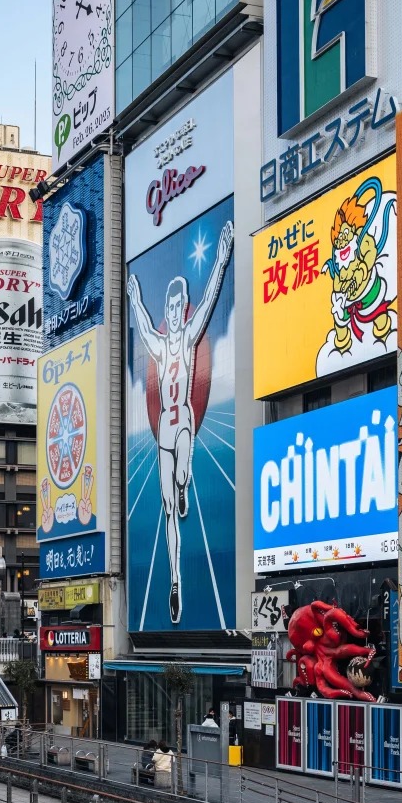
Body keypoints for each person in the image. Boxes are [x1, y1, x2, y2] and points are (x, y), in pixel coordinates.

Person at [127, 217, 234, 624]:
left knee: (182, 474)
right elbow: (139, 321)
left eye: (177, 306)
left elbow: (208, 301)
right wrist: (136, 297)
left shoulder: (188, 339)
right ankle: (174, 580)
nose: (173, 312)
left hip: (184, 424)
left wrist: (222, 259)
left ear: (182, 308)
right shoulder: (156, 346)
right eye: (169, 307)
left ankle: (186, 481)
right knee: (169, 509)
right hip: (163, 439)